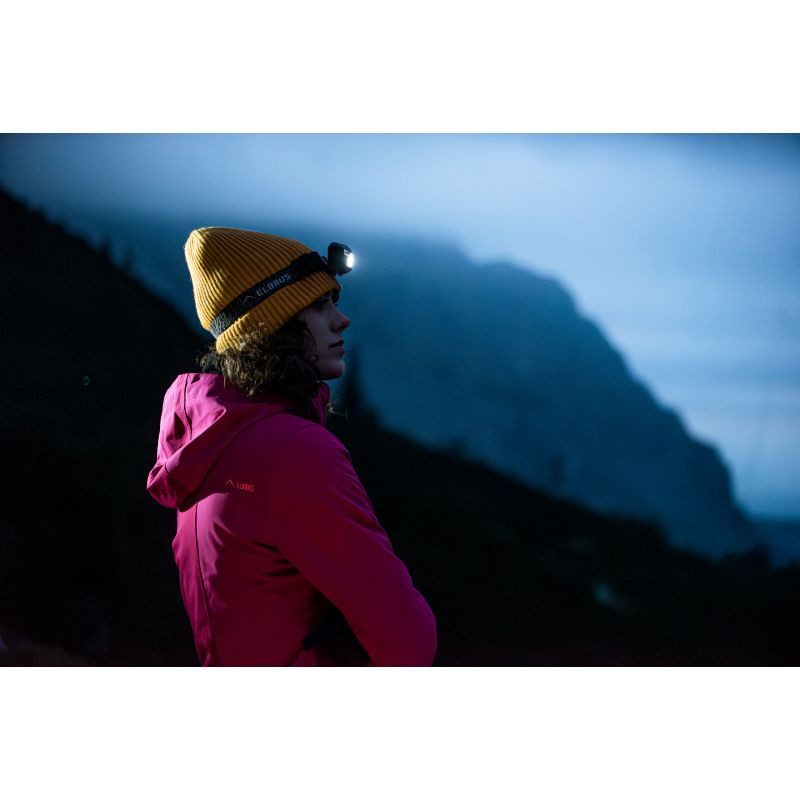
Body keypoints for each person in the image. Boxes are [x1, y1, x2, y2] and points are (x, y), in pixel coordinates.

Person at [146, 226, 436, 666]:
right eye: (319, 306)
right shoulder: (295, 452)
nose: (341, 319)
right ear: (274, 325)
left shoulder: (206, 444)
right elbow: (406, 637)